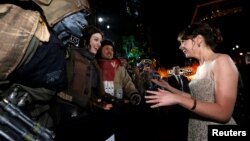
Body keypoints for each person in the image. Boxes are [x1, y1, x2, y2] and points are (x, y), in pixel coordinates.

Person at [145, 22, 239, 141]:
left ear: (198, 39)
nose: (180, 46)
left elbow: (224, 113)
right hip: (197, 130)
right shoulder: (200, 67)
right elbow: (196, 98)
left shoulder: (222, 60)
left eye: (183, 41)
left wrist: (177, 99)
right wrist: (169, 87)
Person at [54, 25, 113, 141]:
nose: (99, 44)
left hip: (88, 115)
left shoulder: (94, 63)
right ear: (86, 40)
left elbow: (95, 90)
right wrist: (88, 102)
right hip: (68, 115)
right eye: (95, 40)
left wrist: (107, 99)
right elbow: (60, 90)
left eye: (100, 41)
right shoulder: (71, 55)